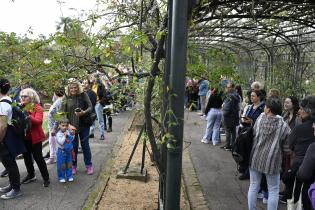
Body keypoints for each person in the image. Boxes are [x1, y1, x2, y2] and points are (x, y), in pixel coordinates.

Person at [248, 97, 291, 210]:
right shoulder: (283, 125)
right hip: (273, 161)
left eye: (266, 106)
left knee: (253, 186)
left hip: (256, 157)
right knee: (273, 190)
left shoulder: (260, 119)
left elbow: (253, 133)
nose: (264, 108)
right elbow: (287, 147)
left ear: (268, 109)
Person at [286, 96, 315, 210]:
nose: (299, 111)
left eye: (302, 108)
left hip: (302, 170)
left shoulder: (299, 128)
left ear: (309, 111)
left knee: (299, 199)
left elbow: (289, 146)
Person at [60, 78, 94, 175]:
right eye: (71, 88)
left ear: (78, 87)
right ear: (68, 89)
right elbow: (61, 114)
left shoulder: (83, 95)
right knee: (73, 148)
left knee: (85, 146)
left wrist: (83, 112)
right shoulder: (65, 97)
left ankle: (89, 165)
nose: (73, 90)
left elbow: (90, 107)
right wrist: (68, 125)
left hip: (83, 125)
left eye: (75, 88)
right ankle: (73, 166)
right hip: (71, 127)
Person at [20, 88, 50, 187]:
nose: (22, 98)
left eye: (25, 96)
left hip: (35, 138)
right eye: (22, 96)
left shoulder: (37, 107)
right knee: (27, 158)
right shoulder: (20, 107)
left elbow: (38, 122)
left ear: (32, 97)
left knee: (38, 158)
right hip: (25, 137)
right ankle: (31, 175)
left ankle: (46, 178)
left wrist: (28, 115)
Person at [0, 78, 22, 199]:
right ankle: (13, 185)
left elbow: (2, 126)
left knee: (10, 164)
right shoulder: (9, 100)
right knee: (9, 164)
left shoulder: (2, 104)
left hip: (4, 138)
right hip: (9, 136)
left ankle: (16, 189)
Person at [46, 88, 65, 164]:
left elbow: (59, 115)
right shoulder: (58, 101)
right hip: (53, 127)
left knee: (56, 143)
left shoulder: (59, 101)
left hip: (55, 128)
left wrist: (54, 128)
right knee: (52, 143)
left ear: (55, 94)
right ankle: (52, 157)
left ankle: (55, 158)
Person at [221, 82, 240, 151]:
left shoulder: (230, 96)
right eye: (227, 87)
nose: (228, 88)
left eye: (229, 87)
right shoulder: (236, 95)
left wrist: (224, 112)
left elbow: (227, 107)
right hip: (234, 116)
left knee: (228, 131)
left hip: (228, 116)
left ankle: (228, 145)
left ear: (233, 88)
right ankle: (232, 145)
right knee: (233, 131)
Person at [56, 119, 74, 183]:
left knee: (69, 164)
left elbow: (71, 139)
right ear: (59, 126)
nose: (65, 127)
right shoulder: (58, 134)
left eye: (66, 126)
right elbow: (61, 142)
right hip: (61, 151)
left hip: (68, 151)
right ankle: (61, 177)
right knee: (62, 165)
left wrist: (72, 134)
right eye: (63, 125)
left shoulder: (68, 132)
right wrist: (65, 136)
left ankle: (69, 176)